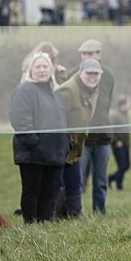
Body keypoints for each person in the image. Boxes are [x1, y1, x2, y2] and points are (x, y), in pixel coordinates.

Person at [9, 52, 70, 223]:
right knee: (32, 191)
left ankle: (45, 226)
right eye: (38, 67)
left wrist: (66, 143)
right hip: (33, 154)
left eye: (45, 66)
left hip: (54, 154)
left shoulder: (55, 93)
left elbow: (62, 120)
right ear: (31, 70)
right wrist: (34, 142)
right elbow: (20, 120)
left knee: (50, 193)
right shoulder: (24, 90)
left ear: (51, 69)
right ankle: (31, 226)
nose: (42, 70)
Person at [55, 58, 102, 218]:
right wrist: (64, 141)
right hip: (61, 143)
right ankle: (57, 215)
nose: (92, 77)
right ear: (80, 72)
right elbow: (57, 117)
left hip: (76, 145)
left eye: (96, 73)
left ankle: (75, 214)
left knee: (75, 181)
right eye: (89, 73)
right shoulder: (68, 90)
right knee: (59, 182)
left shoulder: (93, 90)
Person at [72, 39, 115, 215]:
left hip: (103, 135)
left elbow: (107, 102)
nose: (88, 57)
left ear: (99, 55)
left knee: (100, 179)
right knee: (78, 177)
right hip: (81, 138)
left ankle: (100, 210)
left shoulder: (108, 75)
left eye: (91, 54)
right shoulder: (73, 74)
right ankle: (76, 211)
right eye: (84, 54)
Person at [108, 95, 131, 190]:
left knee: (126, 165)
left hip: (126, 144)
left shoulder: (125, 115)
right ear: (124, 104)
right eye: (129, 103)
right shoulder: (114, 115)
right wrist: (115, 141)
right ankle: (111, 180)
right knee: (122, 166)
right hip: (118, 145)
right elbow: (110, 131)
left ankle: (117, 183)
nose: (130, 105)